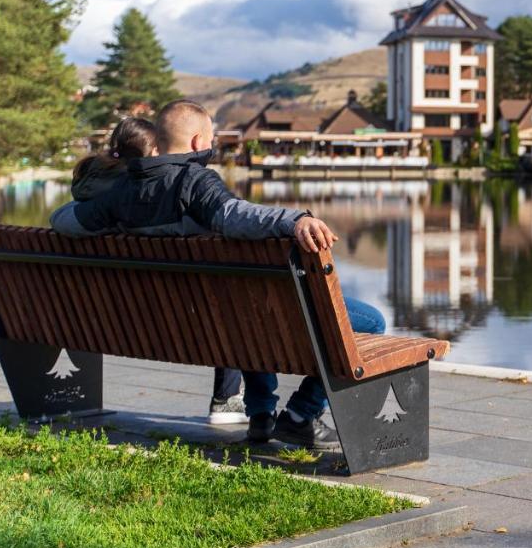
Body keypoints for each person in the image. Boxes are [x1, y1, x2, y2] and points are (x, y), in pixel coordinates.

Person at [50, 100, 382, 451]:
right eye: (210, 138)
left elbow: (63, 219)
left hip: (173, 325)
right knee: (370, 322)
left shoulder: (124, 191)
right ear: (197, 143)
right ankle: (302, 414)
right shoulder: (193, 180)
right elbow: (232, 214)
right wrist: (293, 220)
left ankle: (261, 416)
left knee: (243, 315)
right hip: (223, 319)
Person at [70, 117, 248, 426]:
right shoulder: (159, 195)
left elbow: (61, 220)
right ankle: (226, 399)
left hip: (108, 319)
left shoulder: (92, 202)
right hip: (189, 322)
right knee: (234, 305)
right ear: (154, 151)